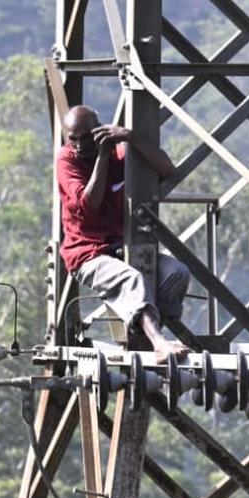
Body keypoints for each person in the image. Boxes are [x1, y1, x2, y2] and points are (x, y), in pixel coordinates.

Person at [56, 105, 190, 361]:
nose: (81, 144)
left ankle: (147, 336)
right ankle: (159, 344)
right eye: (73, 138)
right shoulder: (67, 159)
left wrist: (131, 137)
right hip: (87, 253)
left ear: (100, 131)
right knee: (132, 279)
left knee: (177, 273)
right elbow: (89, 205)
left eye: (87, 136)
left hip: (120, 246)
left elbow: (167, 171)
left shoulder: (121, 154)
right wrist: (102, 157)